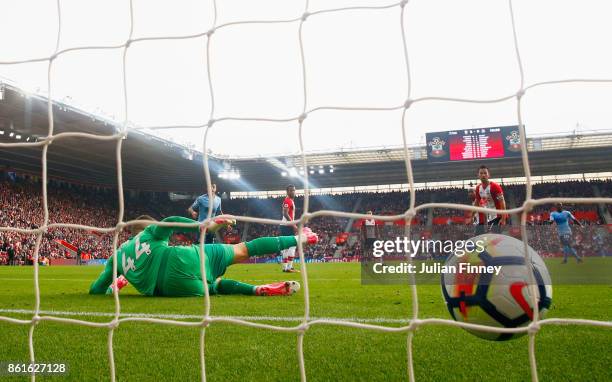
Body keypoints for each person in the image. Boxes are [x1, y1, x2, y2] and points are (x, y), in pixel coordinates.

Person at [89, 215, 319, 297]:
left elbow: (95, 290)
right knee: (243, 250)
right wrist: (204, 226)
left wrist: (113, 287)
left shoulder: (116, 257)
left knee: (216, 286)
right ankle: (302, 238)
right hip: (181, 258)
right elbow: (169, 221)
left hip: (170, 290)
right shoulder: (151, 232)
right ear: (146, 227)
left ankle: (255, 289)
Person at [472, 165, 507, 234]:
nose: (483, 175)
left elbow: (502, 202)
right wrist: (472, 216)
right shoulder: (478, 188)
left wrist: (503, 219)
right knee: (490, 238)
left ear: (488, 175)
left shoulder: (495, 187)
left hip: (499, 216)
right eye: (481, 173)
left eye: (485, 173)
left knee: (493, 236)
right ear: (478, 175)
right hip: (490, 217)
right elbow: (477, 202)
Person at [280, 185, 299, 273]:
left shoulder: (289, 200)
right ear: (287, 191)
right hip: (287, 226)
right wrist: (293, 225)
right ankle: (289, 268)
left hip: (285, 225)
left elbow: (285, 212)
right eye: (291, 190)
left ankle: (285, 268)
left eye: (294, 190)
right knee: (292, 245)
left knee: (286, 247)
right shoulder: (288, 200)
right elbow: (285, 213)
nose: (293, 192)